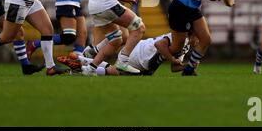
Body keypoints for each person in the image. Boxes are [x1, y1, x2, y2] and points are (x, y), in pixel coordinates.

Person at [60, 32, 199, 76]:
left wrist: (189, 66)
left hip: (142, 53)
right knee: (117, 72)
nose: (198, 41)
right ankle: (80, 66)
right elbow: (159, 45)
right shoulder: (181, 38)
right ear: (193, 35)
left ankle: (80, 61)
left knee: (113, 71)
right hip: (142, 54)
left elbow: (174, 68)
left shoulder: (185, 46)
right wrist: (172, 59)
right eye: (198, 38)